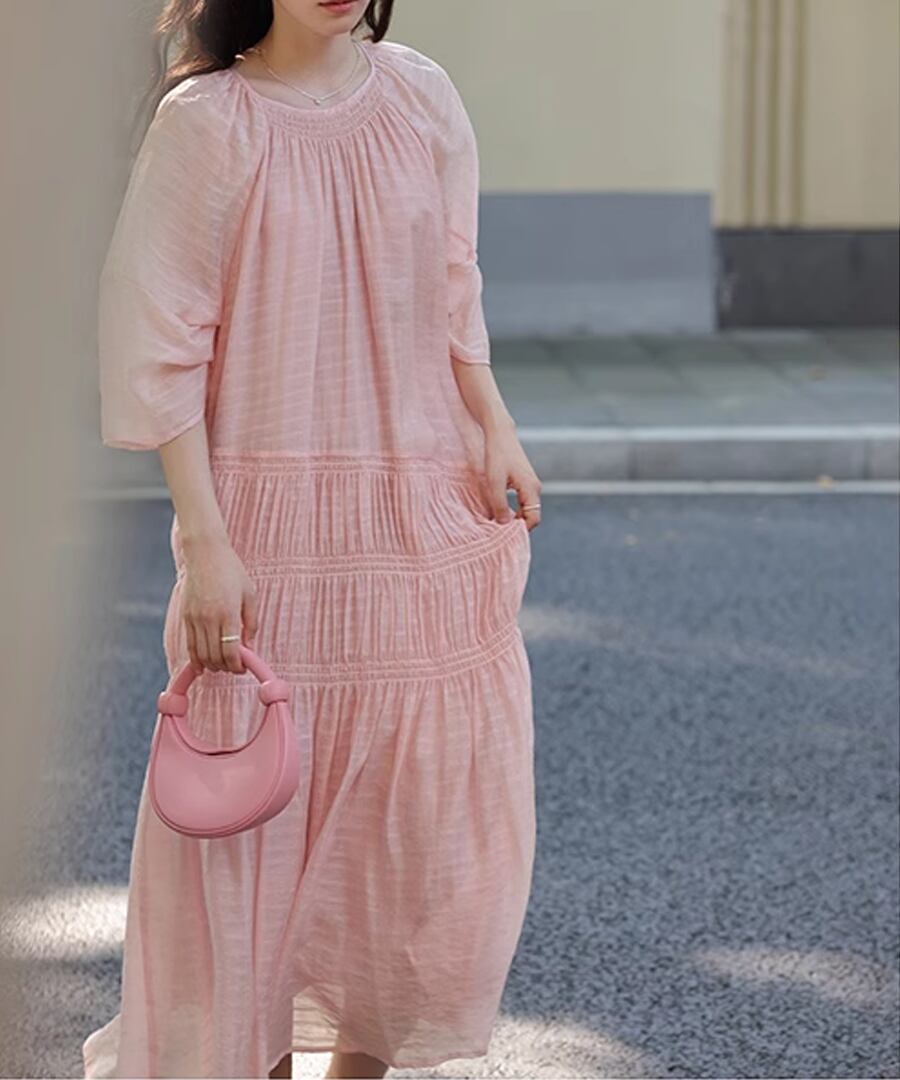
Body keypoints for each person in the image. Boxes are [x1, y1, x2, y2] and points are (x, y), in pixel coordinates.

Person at [82, 1, 542, 1076]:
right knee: (251, 850)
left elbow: (454, 286)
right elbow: (158, 339)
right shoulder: (210, 121)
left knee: (408, 855)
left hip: (419, 513)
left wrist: (496, 426)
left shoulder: (421, 95)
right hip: (269, 538)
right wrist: (205, 541)